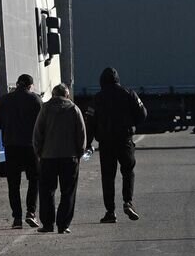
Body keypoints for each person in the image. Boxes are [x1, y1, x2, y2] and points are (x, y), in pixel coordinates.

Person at [87, 67, 147, 223]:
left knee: (108, 177)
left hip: (106, 143)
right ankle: (128, 202)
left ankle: (110, 212)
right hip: (124, 139)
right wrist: (132, 125)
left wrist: (87, 143)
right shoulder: (129, 94)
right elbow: (143, 113)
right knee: (128, 171)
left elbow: (90, 122)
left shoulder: (97, 98)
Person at [32, 84, 87, 234]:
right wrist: (80, 152)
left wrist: (39, 152)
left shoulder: (45, 109)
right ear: (67, 95)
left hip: (48, 157)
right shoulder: (74, 109)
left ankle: (48, 224)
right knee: (68, 192)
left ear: (53, 94)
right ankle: (63, 225)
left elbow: (38, 132)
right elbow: (81, 133)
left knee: (47, 191)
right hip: (69, 157)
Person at [0, 73, 43, 228]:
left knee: (13, 184)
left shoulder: (5, 99)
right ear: (29, 85)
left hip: (11, 146)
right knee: (34, 180)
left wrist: (8, 129)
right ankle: (31, 212)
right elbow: (42, 122)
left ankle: (17, 218)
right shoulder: (35, 100)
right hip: (30, 146)